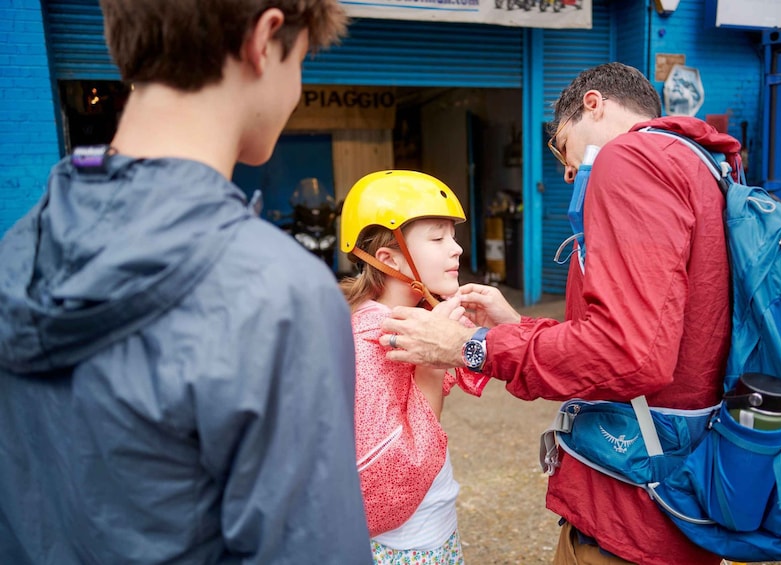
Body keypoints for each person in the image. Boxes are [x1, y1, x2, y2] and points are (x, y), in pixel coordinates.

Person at [0, 1, 372, 563]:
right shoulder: (276, 294)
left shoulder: (15, 253)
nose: (296, 88)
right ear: (265, 39)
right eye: (301, 61)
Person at [379, 62, 743, 565]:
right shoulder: (702, 165)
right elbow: (652, 333)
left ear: (592, 105)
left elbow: (628, 355)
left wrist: (468, 347)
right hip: (687, 490)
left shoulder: (629, 159)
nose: (568, 170)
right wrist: (516, 326)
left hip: (634, 507)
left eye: (561, 147)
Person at [338, 170, 489, 564]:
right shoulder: (370, 339)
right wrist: (433, 364)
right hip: (407, 542)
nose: (456, 249)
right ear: (388, 258)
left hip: (430, 522)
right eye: (438, 237)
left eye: (453, 235)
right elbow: (397, 464)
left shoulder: (418, 315)